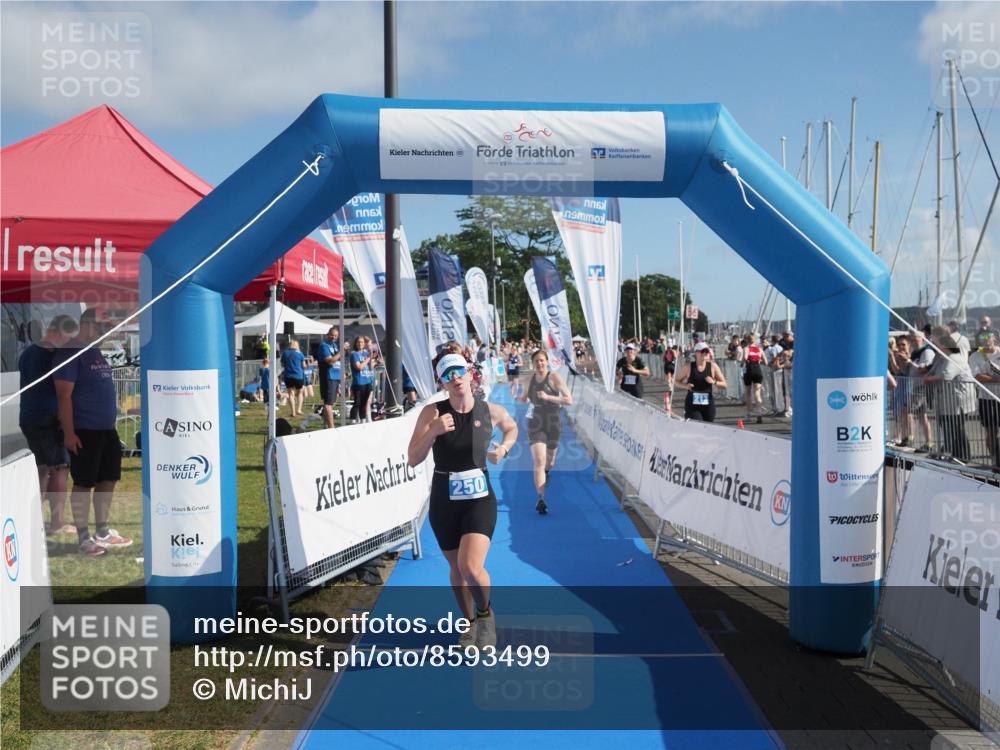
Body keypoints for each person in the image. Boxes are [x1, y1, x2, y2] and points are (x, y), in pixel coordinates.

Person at [407, 346, 517, 650]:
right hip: (444, 499)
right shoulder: (433, 412)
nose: (455, 378)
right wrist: (433, 431)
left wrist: (504, 449)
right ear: (442, 382)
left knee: (470, 567)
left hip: (479, 498)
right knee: (456, 570)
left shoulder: (489, 411)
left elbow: (512, 427)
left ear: (470, 374)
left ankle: (486, 615)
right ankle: (468, 623)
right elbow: (413, 458)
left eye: (459, 371)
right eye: (448, 374)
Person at [52, 309, 132, 556]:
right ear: (86, 325)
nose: (106, 332)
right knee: (84, 483)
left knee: (108, 478)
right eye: (101, 328)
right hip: (84, 430)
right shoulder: (69, 352)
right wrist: (69, 433)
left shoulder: (94, 351)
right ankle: (83, 537)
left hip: (106, 429)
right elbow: (63, 394)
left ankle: (102, 530)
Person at [18, 315, 78, 536]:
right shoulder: (53, 356)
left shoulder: (27, 353)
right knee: (60, 468)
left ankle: (30, 520)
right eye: (68, 339)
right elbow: (63, 390)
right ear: (59, 332)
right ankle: (57, 523)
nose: (68, 344)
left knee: (42, 470)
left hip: (29, 417)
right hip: (49, 419)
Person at [519, 349, 572, 515]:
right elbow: (524, 399)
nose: (540, 364)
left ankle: (547, 472)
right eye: (536, 361)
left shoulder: (554, 377)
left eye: (542, 360)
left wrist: (548, 397)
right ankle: (541, 498)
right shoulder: (529, 380)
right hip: (535, 423)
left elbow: (568, 400)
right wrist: (518, 395)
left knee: (550, 461)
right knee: (539, 460)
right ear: (533, 364)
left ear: (547, 361)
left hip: (553, 423)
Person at [924, 329, 976, 462]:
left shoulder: (954, 358)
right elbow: (931, 371)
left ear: (945, 346)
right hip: (947, 401)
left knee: (957, 428)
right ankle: (954, 453)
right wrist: (929, 376)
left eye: (937, 344)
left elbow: (946, 375)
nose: (935, 347)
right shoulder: (941, 358)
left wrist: (930, 379)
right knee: (949, 427)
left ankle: (963, 456)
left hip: (958, 401)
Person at [969, 333, 1000, 469]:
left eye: (988, 338)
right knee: (991, 431)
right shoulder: (976, 356)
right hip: (986, 398)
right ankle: (995, 458)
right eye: (982, 338)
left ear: (994, 339)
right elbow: (976, 376)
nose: (986, 340)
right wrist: (996, 379)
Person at [675, 342, 727, 422]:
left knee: (708, 428)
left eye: (707, 351)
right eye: (703, 351)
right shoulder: (688, 367)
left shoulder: (713, 367)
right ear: (696, 353)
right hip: (692, 405)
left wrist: (714, 382)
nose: (705, 353)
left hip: (708, 404)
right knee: (697, 426)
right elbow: (676, 381)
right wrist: (685, 386)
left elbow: (724, 384)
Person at [316, 327, 343, 428]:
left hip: (335, 376)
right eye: (332, 335)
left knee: (331, 402)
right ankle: (332, 428)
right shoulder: (324, 346)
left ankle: (326, 426)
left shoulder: (334, 345)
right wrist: (341, 352)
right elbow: (330, 360)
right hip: (328, 376)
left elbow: (338, 362)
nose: (333, 337)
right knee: (328, 403)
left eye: (336, 336)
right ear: (328, 334)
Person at [349, 336, 374, 423]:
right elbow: (359, 367)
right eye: (358, 342)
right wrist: (368, 359)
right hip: (359, 382)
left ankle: (363, 420)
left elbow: (370, 367)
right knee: (357, 403)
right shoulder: (354, 354)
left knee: (364, 403)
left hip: (367, 381)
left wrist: (372, 360)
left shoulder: (366, 353)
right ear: (356, 343)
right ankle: (352, 420)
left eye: (362, 342)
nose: (360, 344)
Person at [280, 339, 307, 418]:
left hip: (288, 376)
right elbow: (303, 366)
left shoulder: (285, 353)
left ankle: (293, 412)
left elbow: (282, 363)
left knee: (290, 394)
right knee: (300, 393)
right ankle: (299, 409)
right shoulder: (300, 354)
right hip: (298, 375)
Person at [743, 333, 766, 423]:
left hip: (749, 369)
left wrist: (743, 361)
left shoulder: (746, 348)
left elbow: (745, 358)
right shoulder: (759, 349)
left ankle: (749, 414)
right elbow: (766, 361)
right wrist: (759, 361)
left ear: (747, 340)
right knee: (757, 393)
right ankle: (759, 413)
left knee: (748, 393)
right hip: (757, 369)